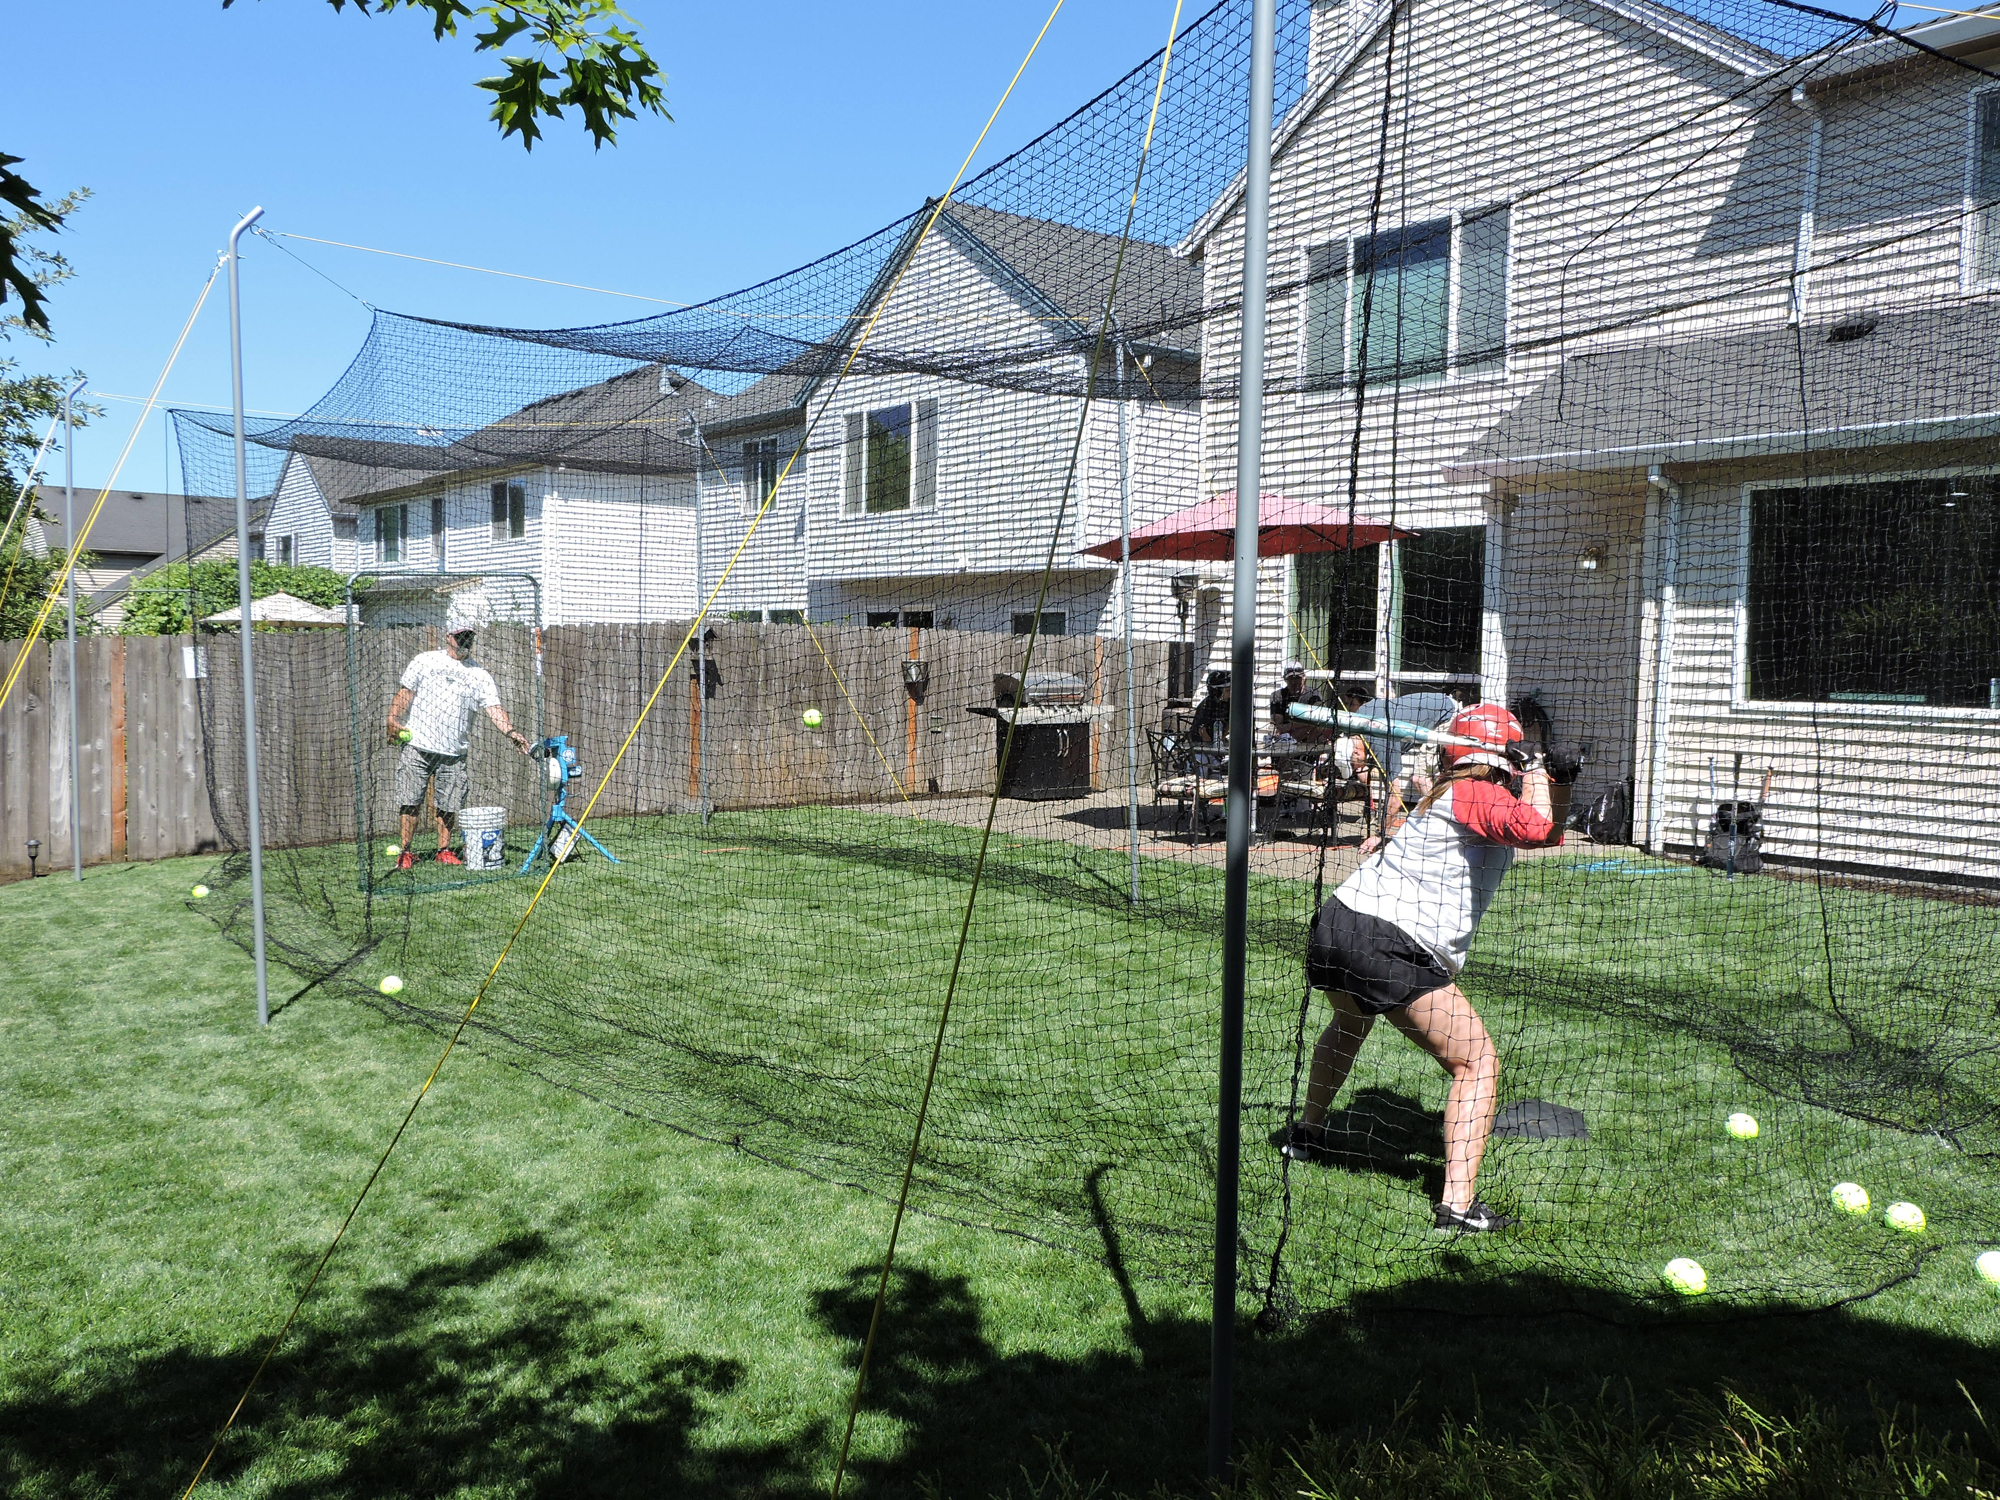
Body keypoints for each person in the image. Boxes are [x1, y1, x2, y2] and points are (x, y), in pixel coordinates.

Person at [1282, 703, 1560, 1234]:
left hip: (1338, 924)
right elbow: (1541, 829)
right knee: (1476, 1061)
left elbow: (1547, 825)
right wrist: (1542, 771)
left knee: (1349, 1022)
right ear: (1505, 756)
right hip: (1390, 943)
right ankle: (1457, 1206)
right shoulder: (1479, 792)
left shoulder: (1448, 791)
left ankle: (1307, 1135)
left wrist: (1548, 776)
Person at [385, 621, 533, 869]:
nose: (464, 641)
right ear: (448, 637)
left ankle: (444, 850)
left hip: (454, 751)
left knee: (449, 804)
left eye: (468, 637)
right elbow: (405, 692)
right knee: (410, 800)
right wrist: (392, 719)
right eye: (459, 636)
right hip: (417, 745)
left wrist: (511, 732)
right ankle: (406, 852)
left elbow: (494, 708)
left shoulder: (479, 675)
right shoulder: (426, 660)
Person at [1269, 660, 1330, 743]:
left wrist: (1291, 727)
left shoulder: (1314, 695)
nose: (1294, 682)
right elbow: (1278, 728)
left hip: (1309, 740)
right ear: (1285, 679)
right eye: (1290, 678)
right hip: (1284, 740)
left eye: (1298, 678)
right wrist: (1306, 724)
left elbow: (1318, 723)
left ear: (1304, 677)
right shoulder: (1278, 696)